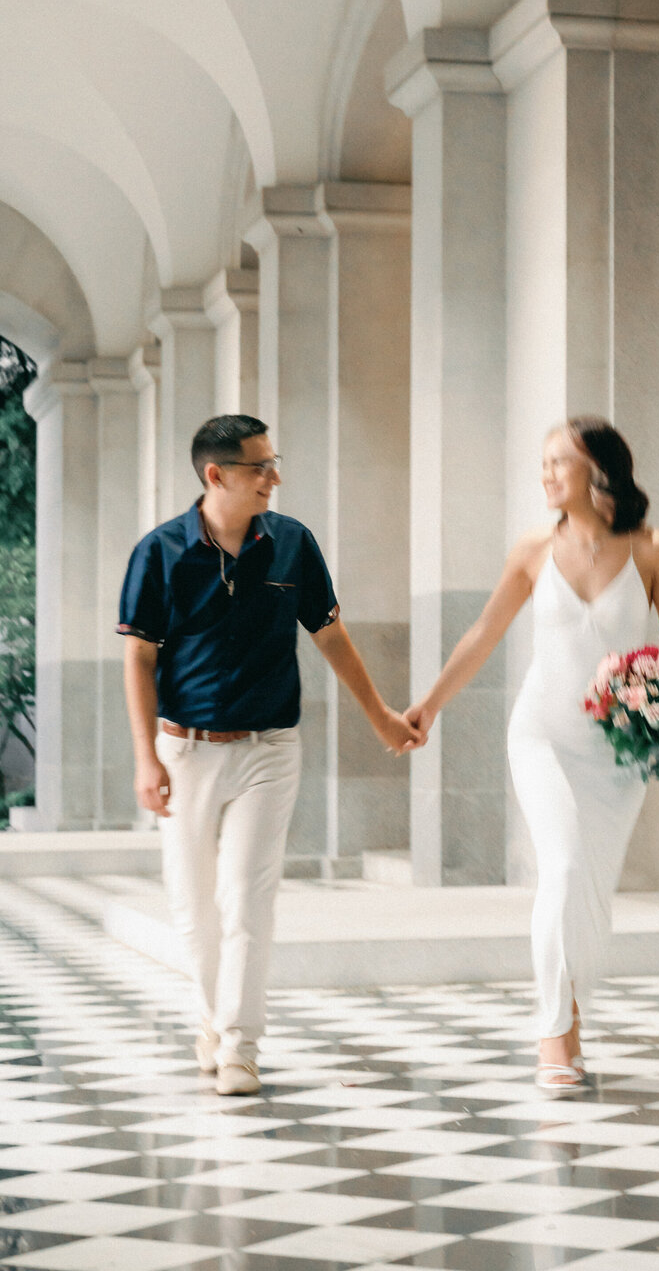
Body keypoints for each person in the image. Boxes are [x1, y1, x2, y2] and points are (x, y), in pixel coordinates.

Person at [119, 414, 422, 1095]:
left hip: (270, 747)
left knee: (249, 899)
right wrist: (146, 758)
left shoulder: (292, 544)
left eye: (274, 464)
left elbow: (329, 634)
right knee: (194, 905)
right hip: (185, 750)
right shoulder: (160, 553)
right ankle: (213, 1016)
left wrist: (379, 715)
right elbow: (138, 659)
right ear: (216, 475)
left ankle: (239, 1045)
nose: (275, 479)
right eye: (261, 468)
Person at [404, 416, 659, 1090]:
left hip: (619, 749)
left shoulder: (652, 550)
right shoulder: (534, 549)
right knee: (562, 869)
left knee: (592, 889)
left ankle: (572, 1005)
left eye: (557, 462)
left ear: (598, 471)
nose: (545, 473)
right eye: (543, 462)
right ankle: (554, 1036)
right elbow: (483, 633)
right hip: (542, 737)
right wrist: (430, 705)